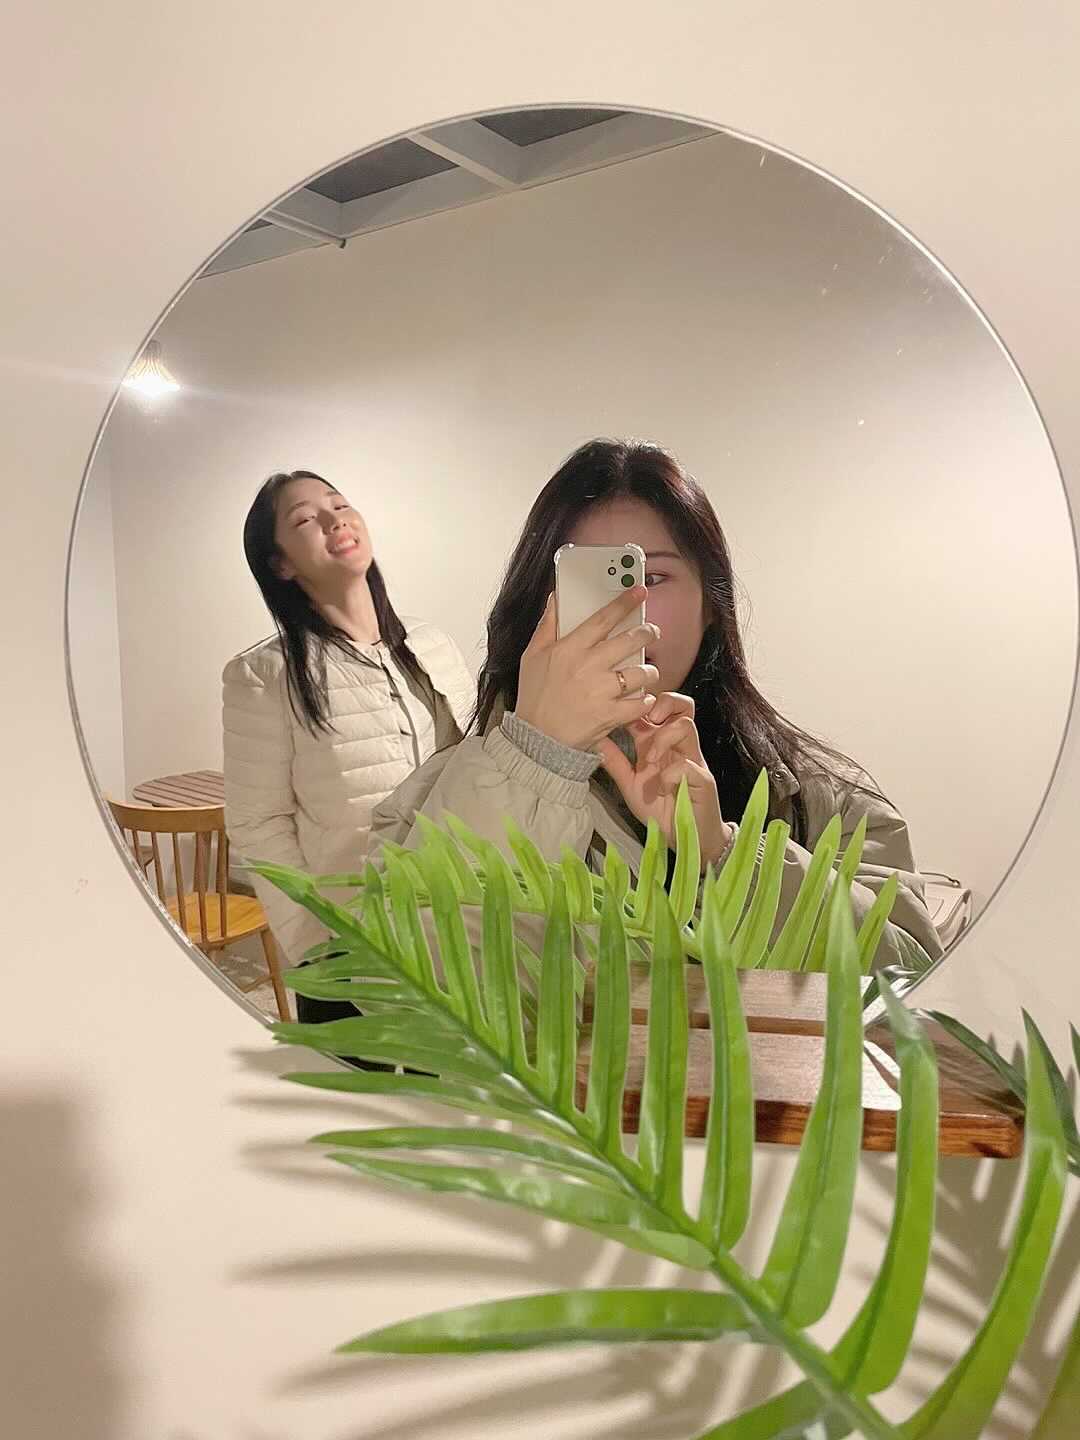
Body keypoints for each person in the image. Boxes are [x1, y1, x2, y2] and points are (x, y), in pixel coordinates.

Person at [370, 439, 944, 971]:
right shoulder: (432, 799)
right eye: (589, 581)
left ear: (711, 604)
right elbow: (412, 997)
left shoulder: (817, 796)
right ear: (537, 606)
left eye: (655, 575)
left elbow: (912, 982)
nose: (621, 608)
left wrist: (724, 854)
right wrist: (533, 764)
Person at [222, 470, 475, 983]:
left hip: (453, 927)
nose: (334, 519)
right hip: (351, 943)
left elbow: (475, 768)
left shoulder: (432, 645)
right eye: (305, 519)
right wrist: (318, 945)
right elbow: (257, 823)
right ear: (281, 564)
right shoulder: (264, 675)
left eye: (338, 505)